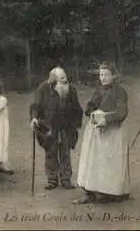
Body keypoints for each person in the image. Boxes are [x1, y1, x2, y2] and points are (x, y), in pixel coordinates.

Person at [74, 62, 130, 204]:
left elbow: (122, 112)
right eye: (101, 75)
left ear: (114, 76)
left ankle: (110, 191)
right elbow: (92, 104)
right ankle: (90, 191)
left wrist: (107, 119)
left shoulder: (120, 92)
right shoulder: (99, 90)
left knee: (110, 162)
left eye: (106, 75)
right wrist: (91, 110)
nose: (103, 78)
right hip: (96, 129)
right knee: (93, 160)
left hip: (112, 131)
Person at [30, 67, 83, 190]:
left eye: (65, 78)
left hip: (66, 126)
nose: (65, 81)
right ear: (53, 80)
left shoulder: (71, 89)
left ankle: (66, 179)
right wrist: (34, 117)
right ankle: (52, 179)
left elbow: (77, 107)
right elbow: (36, 105)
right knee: (50, 152)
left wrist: (76, 123)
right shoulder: (43, 88)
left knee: (65, 152)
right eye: (61, 79)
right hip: (49, 125)